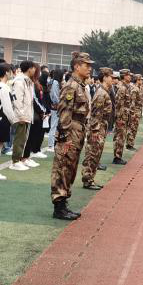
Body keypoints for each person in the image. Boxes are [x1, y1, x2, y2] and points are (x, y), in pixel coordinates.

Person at [50, 51, 93, 219]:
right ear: (77, 66)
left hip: (77, 130)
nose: (89, 68)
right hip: (70, 131)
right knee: (63, 167)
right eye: (86, 65)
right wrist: (64, 137)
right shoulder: (71, 86)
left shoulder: (80, 85)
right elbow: (64, 113)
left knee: (70, 168)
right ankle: (58, 206)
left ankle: (64, 202)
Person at [82, 67, 114, 189]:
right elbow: (96, 113)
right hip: (97, 128)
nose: (113, 80)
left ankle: (90, 178)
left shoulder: (105, 91)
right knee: (92, 154)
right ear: (105, 77)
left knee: (96, 154)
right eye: (111, 77)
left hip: (101, 127)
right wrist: (95, 130)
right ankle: (87, 179)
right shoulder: (101, 93)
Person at [7, 60, 36, 170]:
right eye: (33, 68)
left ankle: (19, 159)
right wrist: (21, 115)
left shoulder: (28, 81)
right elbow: (17, 100)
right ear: (29, 69)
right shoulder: (20, 81)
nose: (35, 70)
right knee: (19, 138)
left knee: (23, 138)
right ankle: (15, 161)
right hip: (21, 115)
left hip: (27, 114)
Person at [111, 69, 133, 165]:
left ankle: (118, 155)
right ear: (124, 76)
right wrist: (119, 119)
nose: (130, 77)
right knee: (120, 137)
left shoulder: (126, 87)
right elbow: (118, 104)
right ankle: (117, 157)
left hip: (124, 116)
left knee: (122, 137)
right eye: (128, 75)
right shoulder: (122, 88)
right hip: (121, 117)